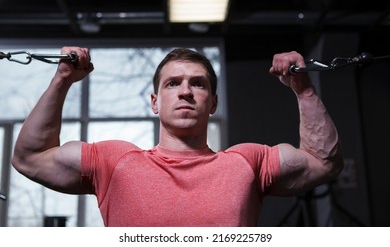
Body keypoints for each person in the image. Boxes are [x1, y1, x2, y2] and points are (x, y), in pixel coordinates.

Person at [12, 46, 343, 227]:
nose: (186, 91)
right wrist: (62, 80)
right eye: (173, 83)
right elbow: (29, 157)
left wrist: (303, 89)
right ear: (155, 103)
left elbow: (323, 162)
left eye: (198, 83)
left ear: (213, 102)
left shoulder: (247, 161)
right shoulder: (115, 162)